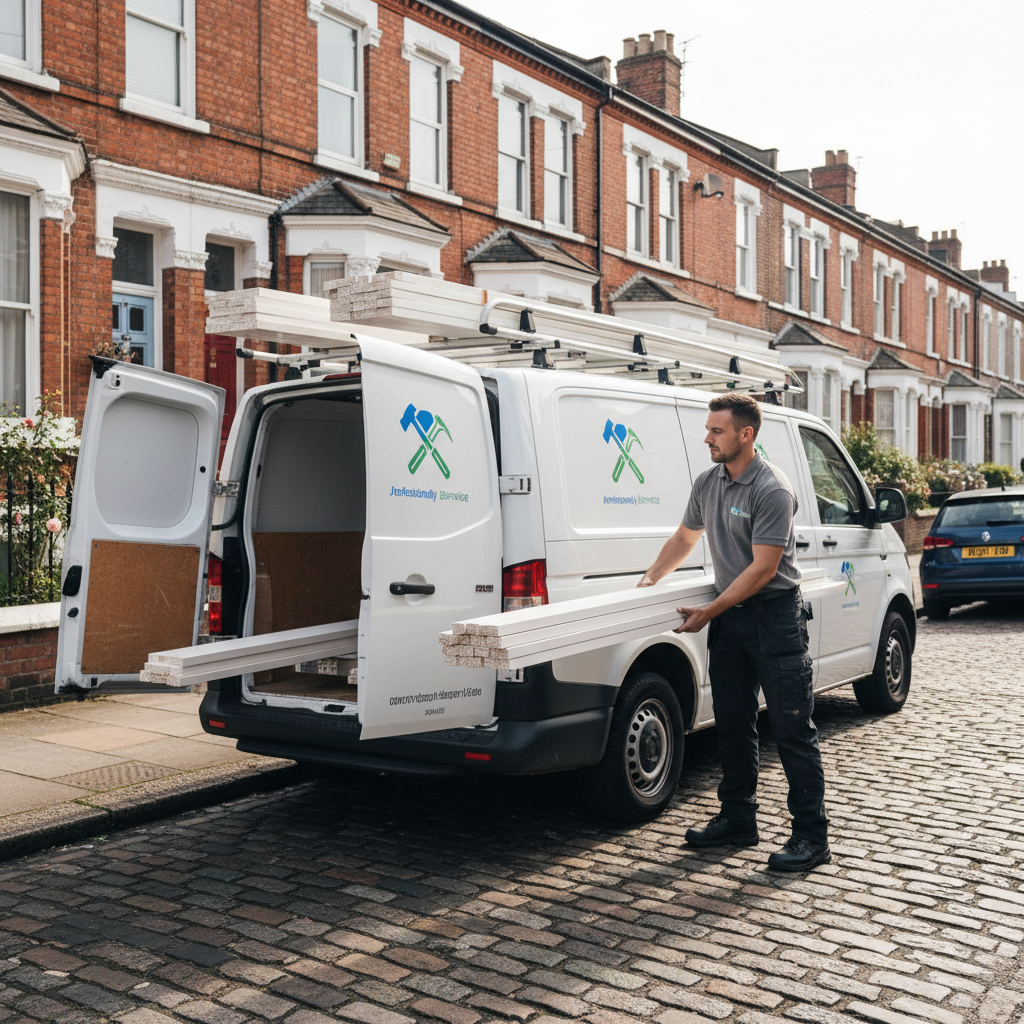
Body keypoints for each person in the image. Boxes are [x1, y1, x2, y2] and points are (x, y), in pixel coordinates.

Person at [638, 393, 829, 872]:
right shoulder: (709, 481)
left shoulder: (772, 489)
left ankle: (811, 837)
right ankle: (738, 819)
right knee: (732, 723)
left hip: (774, 618)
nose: (707, 438)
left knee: (791, 730)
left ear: (746, 434)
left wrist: (710, 610)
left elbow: (764, 569)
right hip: (731, 621)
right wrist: (648, 581)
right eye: (708, 429)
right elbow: (685, 537)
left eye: (716, 431)